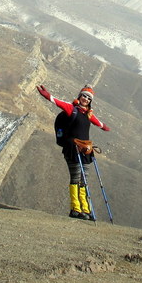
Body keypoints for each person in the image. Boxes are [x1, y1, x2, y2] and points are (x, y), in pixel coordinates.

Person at [36, 84, 110, 220]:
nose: (86, 99)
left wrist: (105, 127)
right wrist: (46, 95)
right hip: (72, 148)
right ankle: (75, 209)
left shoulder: (88, 114)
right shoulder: (72, 109)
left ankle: (86, 209)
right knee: (76, 177)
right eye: (84, 96)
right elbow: (57, 101)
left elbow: (99, 123)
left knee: (84, 179)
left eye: (88, 98)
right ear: (79, 96)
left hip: (85, 150)